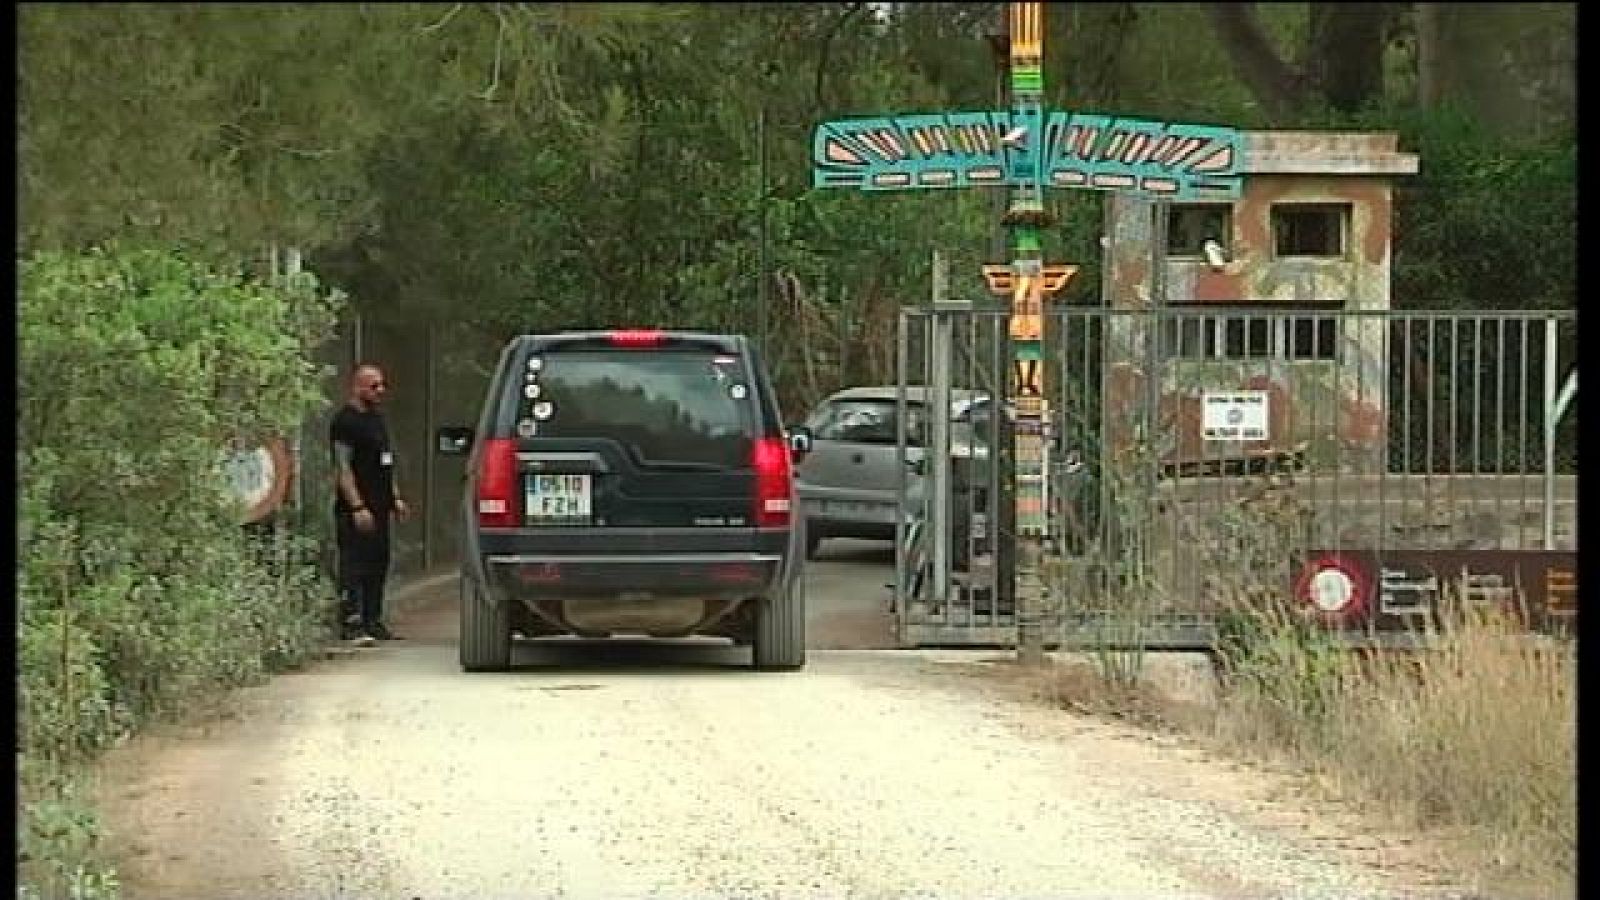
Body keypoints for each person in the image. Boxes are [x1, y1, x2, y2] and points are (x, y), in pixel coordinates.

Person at [330, 363, 411, 646]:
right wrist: (356, 506)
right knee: (354, 565)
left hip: (381, 505)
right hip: (358, 509)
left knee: (378, 563)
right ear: (357, 386)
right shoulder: (345, 422)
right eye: (373, 386)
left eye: (382, 385)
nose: (380, 391)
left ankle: (372, 620)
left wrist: (395, 496)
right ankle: (351, 624)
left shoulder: (377, 419)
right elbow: (342, 467)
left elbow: (386, 461)